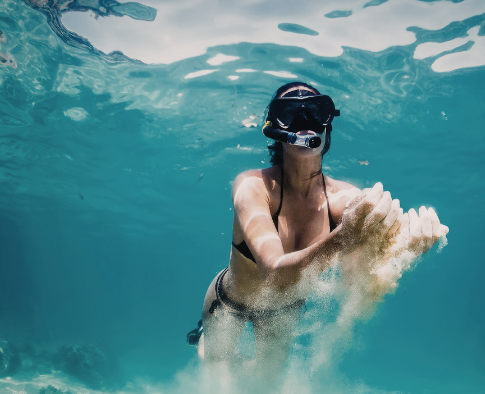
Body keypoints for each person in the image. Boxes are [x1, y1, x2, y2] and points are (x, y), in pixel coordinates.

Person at [187, 82, 447, 376]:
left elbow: (359, 282)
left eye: (315, 110)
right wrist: (342, 239)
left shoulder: (345, 199)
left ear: (328, 125)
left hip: (283, 312)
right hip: (230, 301)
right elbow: (274, 272)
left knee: (264, 386)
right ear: (274, 129)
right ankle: (206, 339)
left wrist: (405, 249)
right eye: (289, 113)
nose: (305, 122)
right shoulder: (253, 187)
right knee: (216, 374)